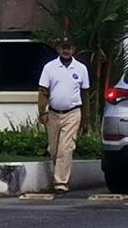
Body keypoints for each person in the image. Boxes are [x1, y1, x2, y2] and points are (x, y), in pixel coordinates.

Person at [37, 39, 90, 193]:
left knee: (65, 149)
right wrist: (43, 112)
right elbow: (43, 91)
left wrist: (85, 119)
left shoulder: (81, 68)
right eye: (63, 48)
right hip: (53, 113)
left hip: (73, 113)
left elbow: (84, 94)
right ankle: (61, 174)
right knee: (54, 149)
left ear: (74, 49)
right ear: (58, 49)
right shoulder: (50, 67)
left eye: (69, 48)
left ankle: (61, 182)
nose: (66, 51)